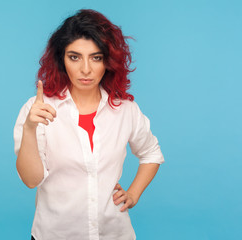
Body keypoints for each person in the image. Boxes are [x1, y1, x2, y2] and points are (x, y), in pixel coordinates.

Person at [14, 9, 164, 240]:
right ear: (61, 60)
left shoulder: (125, 110)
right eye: (74, 57)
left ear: (108, 61)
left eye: (96, 57)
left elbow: (151, 153)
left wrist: (133, 194)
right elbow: (31, 180)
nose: (86, 69)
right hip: (54, 234)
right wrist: (29, 128)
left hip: (114, 234)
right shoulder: (36, 110)